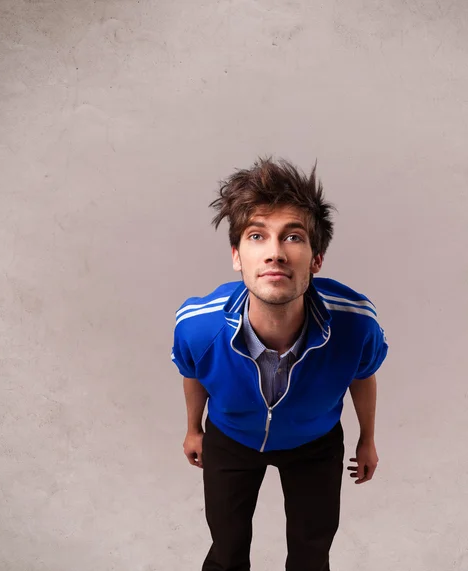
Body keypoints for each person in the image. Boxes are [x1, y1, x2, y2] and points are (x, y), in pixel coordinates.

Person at [171, 157, 389, 571]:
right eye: (257, 236)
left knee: (312, 554)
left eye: (292, 237)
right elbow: (193, 372)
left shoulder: (357, 323)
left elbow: (363, 375)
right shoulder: (197, 326)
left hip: (315, 442)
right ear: (237, 256)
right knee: (227, 548)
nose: (274, 253)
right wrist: (192, 429)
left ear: (316, 259)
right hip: (231, 438)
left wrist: (367, 440)